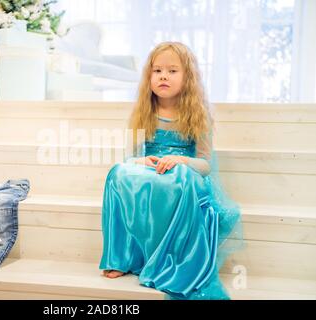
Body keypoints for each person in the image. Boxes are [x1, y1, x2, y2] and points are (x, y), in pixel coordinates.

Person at [99, 42, 243, 300]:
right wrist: (140, 162)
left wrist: (180, 160)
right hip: (152, 171)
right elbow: (132, 157)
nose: (163, 76)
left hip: (185, 173)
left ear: (188, 78)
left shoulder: (198, 114)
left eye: (172, 71)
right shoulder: (144, 112)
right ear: (149, 77)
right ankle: (120, 258)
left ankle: (172, 259)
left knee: (180, 178)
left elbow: (205, 165)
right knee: (118, 172)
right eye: (157, 70)